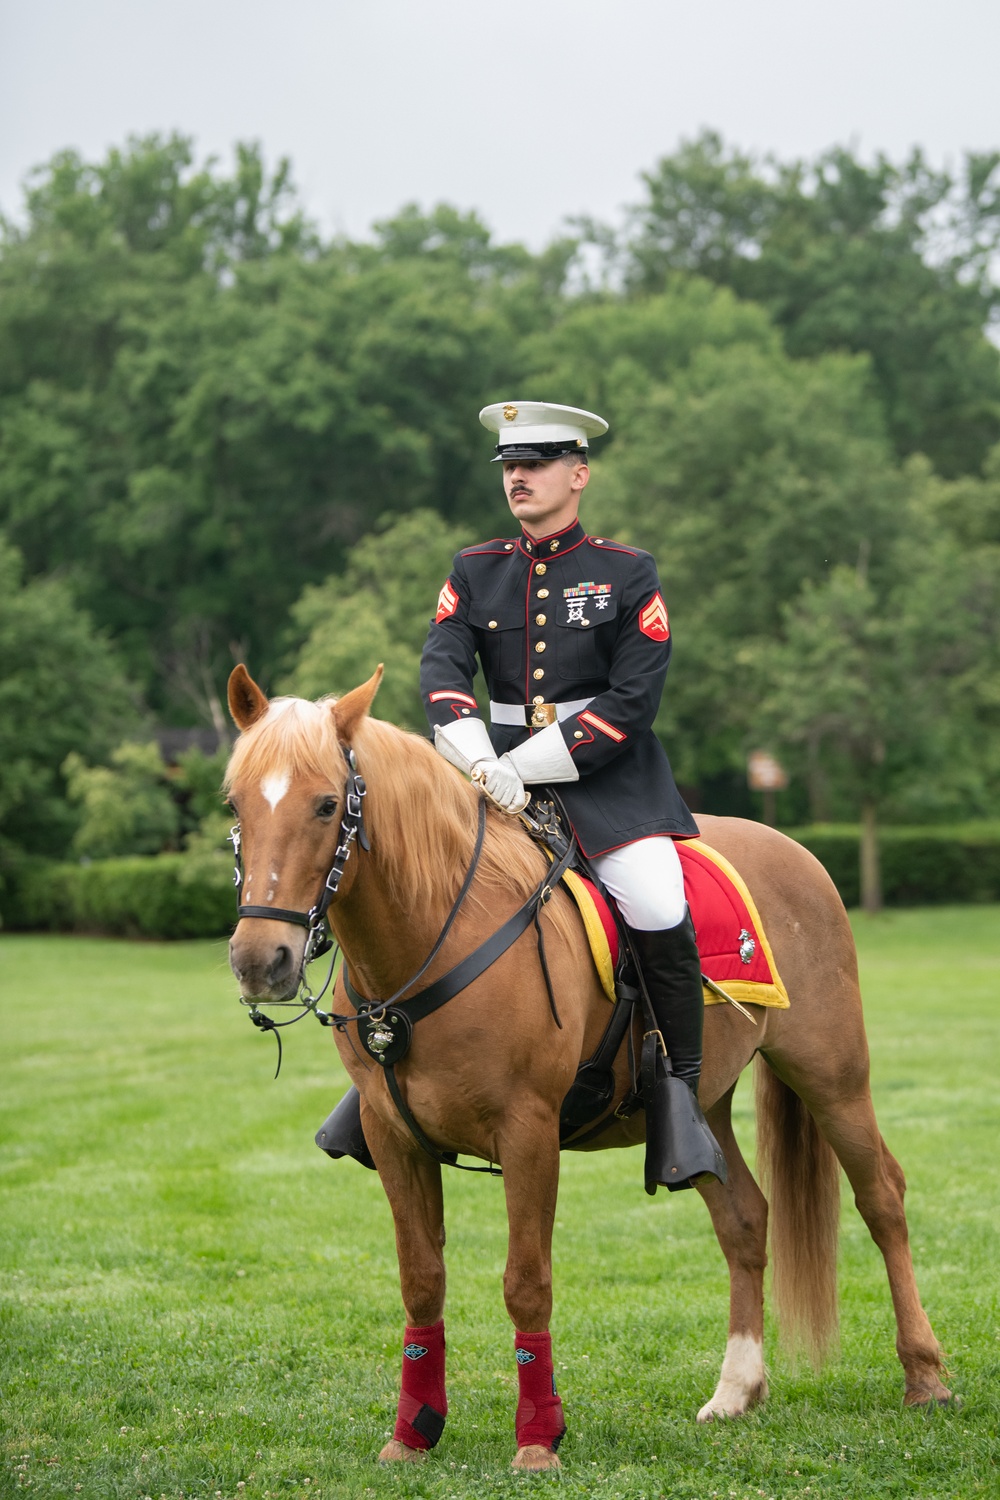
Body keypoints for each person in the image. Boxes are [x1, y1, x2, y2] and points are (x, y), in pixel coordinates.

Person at [420, 401, 723, 1191]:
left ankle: (679, 1100)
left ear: (578, 474)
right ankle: (377, 1078)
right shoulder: (473, 568)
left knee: (657, 903)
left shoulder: (628, 572)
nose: (518, 477)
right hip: (492, 780)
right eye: (509, 466)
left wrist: (535, 765)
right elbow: (443, 671)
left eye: (539, 463)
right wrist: (482, 759)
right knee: (411, 887)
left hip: (610, 787)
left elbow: (631, 703)